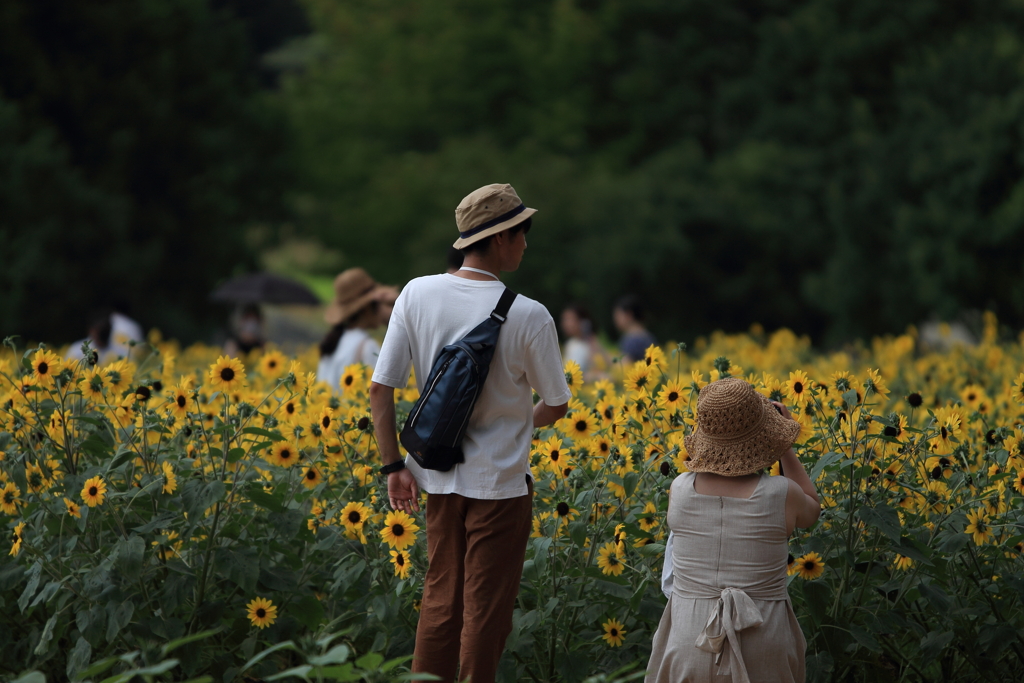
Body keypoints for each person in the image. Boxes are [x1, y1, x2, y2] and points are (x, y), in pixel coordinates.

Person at [369, 183, 571, 683]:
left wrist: (394, 466)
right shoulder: (528, 314)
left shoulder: (416, 293)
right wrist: (519, 423)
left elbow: (380, 388)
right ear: (502, 238)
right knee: (487, 610)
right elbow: (558, 403)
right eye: (523, 234)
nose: (526, 244)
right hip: (500, 486)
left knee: (440, 599)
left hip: (434, 477)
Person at [646, 377, 820, 683]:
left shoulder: (681, 490)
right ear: (765, 435)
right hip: (762, 636)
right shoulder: (782, 494)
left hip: (689, 637)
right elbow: (812, 509)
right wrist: (785, 448)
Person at [317, 268, 392, 392]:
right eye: (379, 304)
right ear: (368, 308)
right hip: (356, 411)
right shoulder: (367, 346)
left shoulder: (331, 342)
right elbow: (380, 391)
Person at [560, 303, 608, 380]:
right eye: (564, 319)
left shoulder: (592, 343)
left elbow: (605, 364)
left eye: (570, 319)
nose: (566, 324)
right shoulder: (570, 344)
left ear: (582, 321)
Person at [613, 294, 656, 363]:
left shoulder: (631, 340)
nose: (615, 320)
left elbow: (624, 366)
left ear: (629, 315)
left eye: (618, 315)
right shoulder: (648, 336)